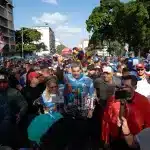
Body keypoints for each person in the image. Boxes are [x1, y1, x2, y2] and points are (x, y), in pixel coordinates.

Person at [102, 75, 150, 150]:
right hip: (116, 140)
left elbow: (148, 124)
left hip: (135, 141)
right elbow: (106, 120)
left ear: (135, 87)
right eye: (122, 85)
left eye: (127, 86)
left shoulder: (143, 101)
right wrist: (106, 140)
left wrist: (145, 143)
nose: (123, 88)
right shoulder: (112, 100)